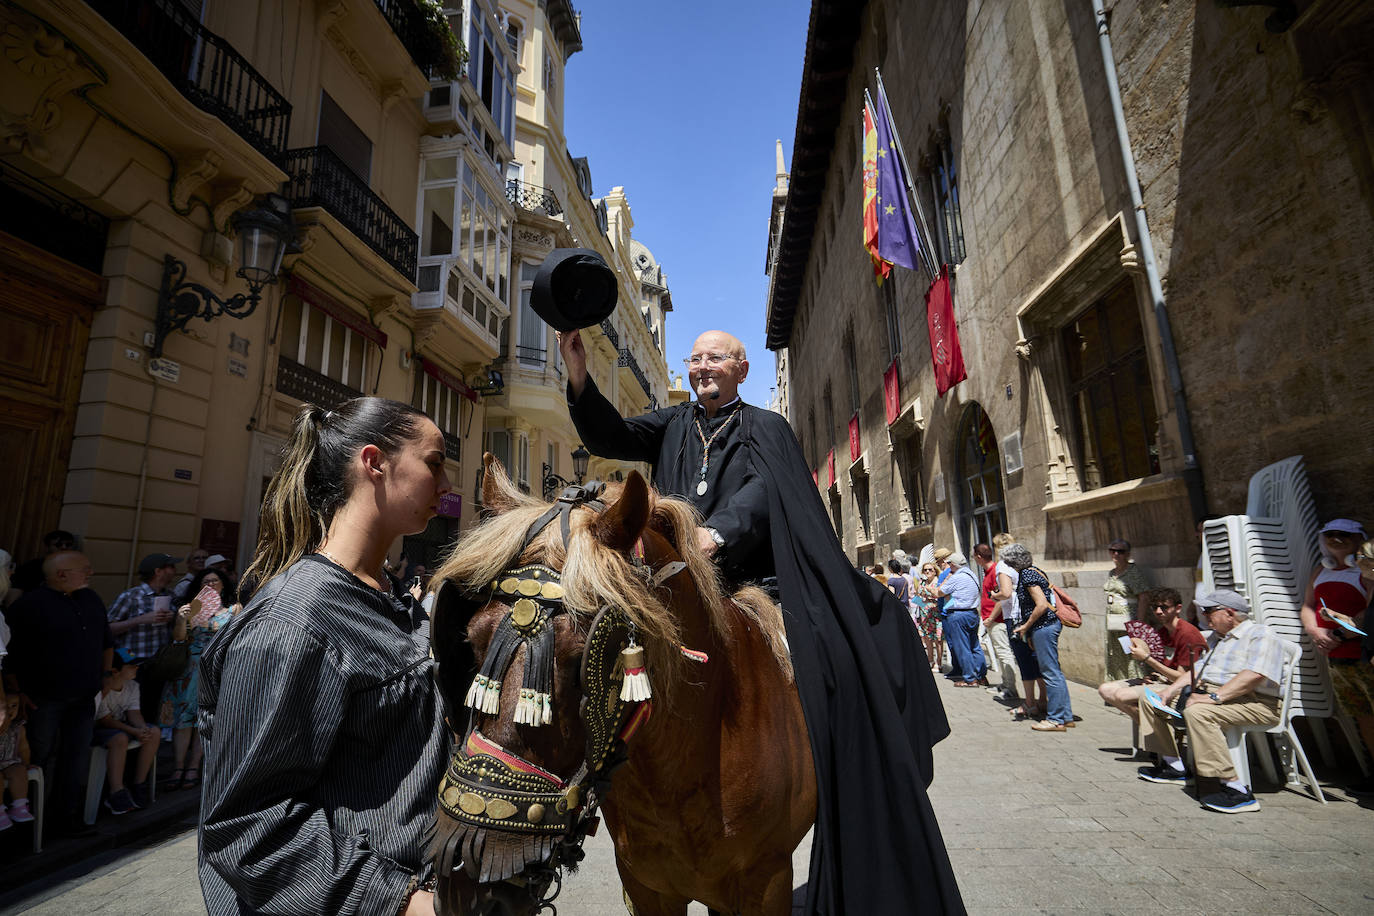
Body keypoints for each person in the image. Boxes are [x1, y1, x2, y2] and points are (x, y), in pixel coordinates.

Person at [559, 327, 961, 914]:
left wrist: (716, 533)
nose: (702, 367)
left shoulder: (766, 427)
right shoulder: (672, 424)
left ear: (742, 369)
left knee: (834, 659)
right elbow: (610, 434)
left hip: (754, 586)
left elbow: (766, 491)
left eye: (715, 358)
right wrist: (577, 372)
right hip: (677, 589)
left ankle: (842, 773)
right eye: (695, 358)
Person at [199, 398, 452, 916]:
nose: (446, 485)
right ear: (374, 462)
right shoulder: (293, 620)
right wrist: (406, 904)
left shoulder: (388, 597)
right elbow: (247, 828)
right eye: (434, 462)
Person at [1136, 590, 1286, 813]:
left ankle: (1235, 788)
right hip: (1215, 694)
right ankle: (1174, 766)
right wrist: (1169, 691)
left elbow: (1254, 676)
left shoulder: (1260, 634)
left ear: (1230, 613)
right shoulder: (1218, 637)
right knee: (1150, 698)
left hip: (1256, 701)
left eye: (1209, 611)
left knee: (1198, 713)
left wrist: (1213, 698)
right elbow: (1198, 671)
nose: (1204, 615)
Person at [3, 550, 113, 833]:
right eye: (84, 569)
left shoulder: (91, 599)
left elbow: (106, 641)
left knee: (75, 756)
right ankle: (32, 822)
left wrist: (105, 675)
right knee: (40, 756)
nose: (90, 573)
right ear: (61, 574)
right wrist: (18, 691)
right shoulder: (29, 605)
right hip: (42, 698)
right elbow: (11, 655)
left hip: (84, 696)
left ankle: (65, 818)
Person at [1299, 519, 1374, 771]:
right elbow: (1308, 605)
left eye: (1344, 534)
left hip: (1364, 654)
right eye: (1330, 534)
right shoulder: (1320, 570)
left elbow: (1369, 612)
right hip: (1337, 657)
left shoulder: (1366, 571)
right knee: (1362, 717)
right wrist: (1315, 632)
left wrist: (1339, 635)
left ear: (1359, 539)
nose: (1336, 538)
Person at [1097, 588, 1207, 727]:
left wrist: (1147, 658)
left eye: (1164, 607)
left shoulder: (1187, 634)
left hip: (1177, 685)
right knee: (1105, 690)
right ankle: (1153, 727)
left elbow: (1180, 677)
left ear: (1178, 608)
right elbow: (1161, 662)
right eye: (1155, 607)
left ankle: (1154, 729)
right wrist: (1150, 675)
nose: (1158, 611)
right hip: (1159, 679)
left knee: (1121, 696)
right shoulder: (1163, 632)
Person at [162, 567, 228, 791]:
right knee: (182, 720)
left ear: (223, 584)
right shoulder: (191, 608)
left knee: (204, 720)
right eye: (205, 582)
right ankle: (178, 767)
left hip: (216, 669)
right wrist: (181, 620)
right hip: (188, 670)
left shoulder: (234, 609)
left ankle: (193, 767)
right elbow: (179, 638)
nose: (210, 585)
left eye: (215, 580)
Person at [1004, 544, 1074, 732]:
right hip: (1045, 626)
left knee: (1050, 672)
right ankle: (1065, 716)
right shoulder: (1034, 571)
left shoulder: (1027, 574)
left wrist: (1026, 626)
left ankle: (1056, 719)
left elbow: (1041, 604)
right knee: (1054, 672)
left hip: (1044, 626)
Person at [108, 553, 180, 726]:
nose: (175, 571)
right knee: (132, 710)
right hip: (133, 664)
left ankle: (148, 739)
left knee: (153, 709)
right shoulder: (131, 596)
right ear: (158, 571)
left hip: (160, 664)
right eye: (171, 567)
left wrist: (174, 618)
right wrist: (140, 620)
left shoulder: (170, 596)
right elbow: (108, 629)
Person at [94, 648, 159, 814]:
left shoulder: (133, 686)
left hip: (123, 727)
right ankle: (116, 792)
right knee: (120, 739)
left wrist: (142, 728)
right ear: (115, 671)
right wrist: (134, 731)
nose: (137, 668)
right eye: (131, 666)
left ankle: (139, 784)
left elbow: (134, 713)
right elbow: (105, 721)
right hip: (99, 731)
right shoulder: (102, 688)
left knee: (153, 732)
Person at [974, 541, 1018, 701]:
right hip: (991, 619)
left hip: (997, 620)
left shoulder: (995, 571)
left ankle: (1010, 688)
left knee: (1004, 653)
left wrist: (991, 618)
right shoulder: (989, 572)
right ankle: (1006, 684)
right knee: (1000, 653)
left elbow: (1002, 597)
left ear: (979, 557)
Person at [936, 552, 987, 687]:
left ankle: (970, 678)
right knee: (975, 645)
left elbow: (939, 592)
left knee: (962, 647)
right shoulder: (972, 575)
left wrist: (946, 579)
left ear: (953, 564)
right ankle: (981, 676)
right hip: (972, 612)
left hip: (958, 614)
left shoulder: (956, 577)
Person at [0, 693, 33, 830]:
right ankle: (0, 812)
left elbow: (24, 748)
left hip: (9, 762)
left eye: (14, 706)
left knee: (19, 771)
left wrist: (26, 763)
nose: (10, 710)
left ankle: (19, 807)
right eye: (6, 706)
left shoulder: (18, 727)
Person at [11, 530, 76, 594]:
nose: (64, 547)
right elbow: (16, 590)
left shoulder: (76, 568)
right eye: (58, 545)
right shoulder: (32, 567)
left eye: (68, 545)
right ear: (47, 547)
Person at [1104, 538, 1152, 620]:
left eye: (1120, 551)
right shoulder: (1112, 573)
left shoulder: (1134, 572)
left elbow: (1144, 598)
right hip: (1112, 617)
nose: (1116, 554)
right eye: (1112, 551)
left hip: (1129, 618)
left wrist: (1139, 622)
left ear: (1128, 554)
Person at [914, 561, 944, 672]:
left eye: (930, 569)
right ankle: (930, 660)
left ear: (935, 571)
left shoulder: (939, 582)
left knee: (938, 639)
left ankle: (939, 662)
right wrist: (923, 604)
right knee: (927, 638)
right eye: (925, 570)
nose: (927, 571)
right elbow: (917, 597)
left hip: (936, 614)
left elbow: (941, 597)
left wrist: (930, 603)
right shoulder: (922, 582)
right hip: (924, 614)